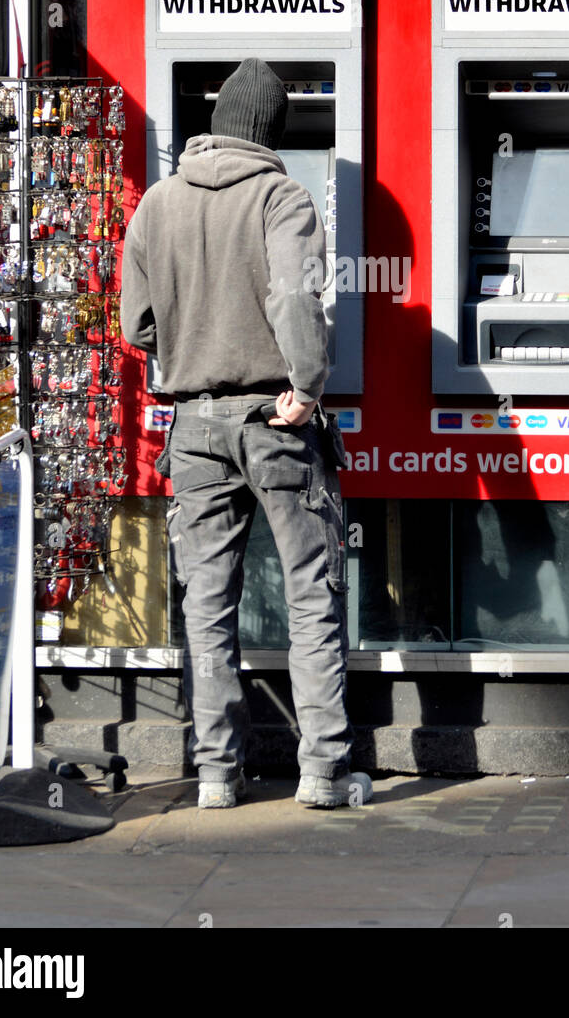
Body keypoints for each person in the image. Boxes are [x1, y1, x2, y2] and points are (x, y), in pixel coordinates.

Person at [120, 57, 371, 811]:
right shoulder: (282, 196)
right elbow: (295, 298)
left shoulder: (157, 203)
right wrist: (306, 386)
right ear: (271, 131)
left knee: (207, 602)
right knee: (311, 592)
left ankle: (216, 776)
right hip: (274, 419)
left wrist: (191, 348)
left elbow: (137, 324)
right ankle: (323, 771)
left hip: (192, 422)